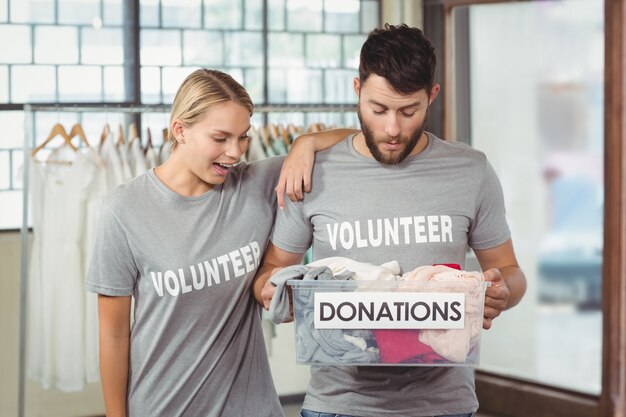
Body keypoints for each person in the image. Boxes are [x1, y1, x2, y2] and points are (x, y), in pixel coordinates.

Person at [254, 24, 527, 417]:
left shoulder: (470, 170)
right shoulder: (311, 172)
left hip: (443, 406)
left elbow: (510, 272)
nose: (392, 129)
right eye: (378, 109)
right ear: (357, 91)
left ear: (431, 95)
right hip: (338, 405)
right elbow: (272, 272)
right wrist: (280, 293)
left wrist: (502, 292)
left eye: (408, 110)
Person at [85, 68, 353, 417]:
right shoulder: (124, 210)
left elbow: (359, 141)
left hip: (254, 408)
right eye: (220, 137)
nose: (235, 152)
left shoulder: (257, 184)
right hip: (163, 407)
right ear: (180, 130)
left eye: (243, 137)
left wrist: (306, 143)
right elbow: (114, 334)